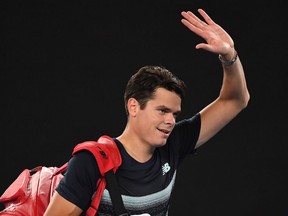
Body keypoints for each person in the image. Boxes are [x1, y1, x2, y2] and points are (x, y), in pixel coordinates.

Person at [44, 8, 250, 216]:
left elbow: (235, 100)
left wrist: (229, 54)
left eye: (175, 114)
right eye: (162, 110)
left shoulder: (174, 144)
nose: (170, 121)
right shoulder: (90, 163)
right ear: (133, 107)